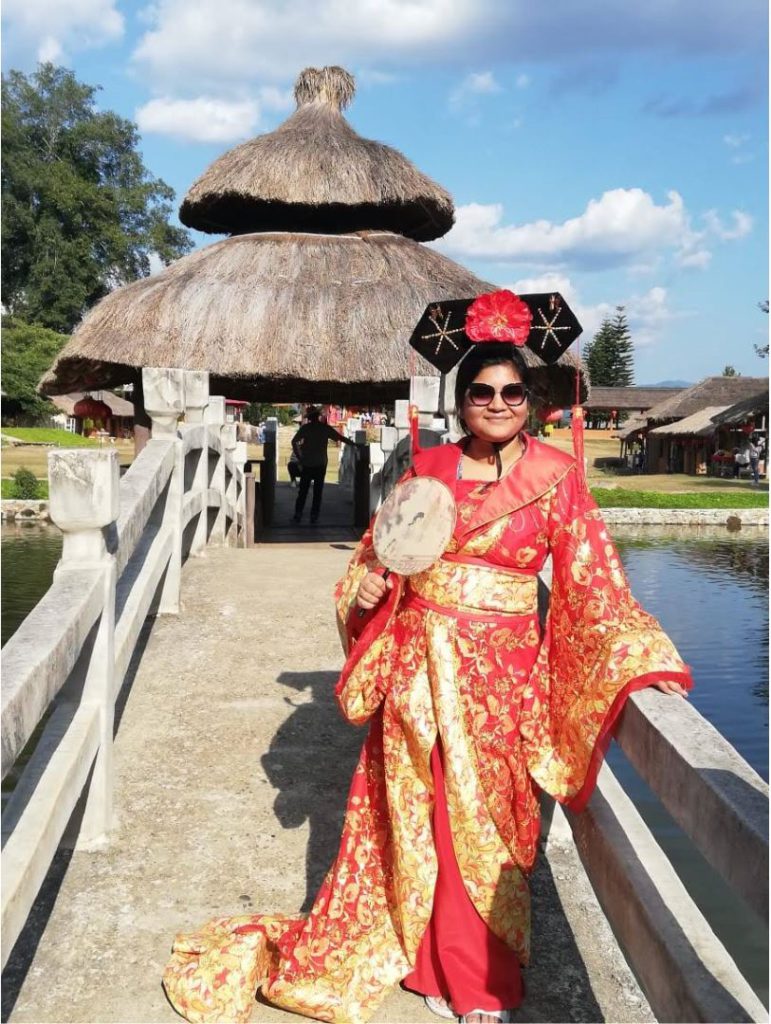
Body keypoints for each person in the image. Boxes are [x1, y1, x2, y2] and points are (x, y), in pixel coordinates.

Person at [163, 296, 692, 1024]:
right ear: (462, 400)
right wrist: (370, 583)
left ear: (529, 400)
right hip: (416, 666)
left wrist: (641, 656)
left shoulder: (556, 476)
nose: (498, 404)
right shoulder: (430, 465)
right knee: (422, 814)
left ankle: (479, 984)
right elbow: (375, 560)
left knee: (487, 826)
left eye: (512, 392)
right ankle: (428, 968)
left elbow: (591, 580)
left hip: (500, 679)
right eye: (481, 392)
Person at [291, 406, 359, 524]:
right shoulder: (324, 428)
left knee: (303, 491)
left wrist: (300, 456)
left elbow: (294, 441)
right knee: (317, 492)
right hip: (320, 464)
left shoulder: (306, 428)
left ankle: (298, 514)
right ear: (317, 416)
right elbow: (340, 438)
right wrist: (354, 443)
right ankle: (314, 515)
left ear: (310, 418)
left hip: (307, 463)